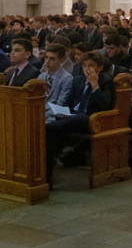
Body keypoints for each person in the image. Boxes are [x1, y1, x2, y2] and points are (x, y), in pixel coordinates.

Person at [45, 52, 115, 184]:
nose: (87, 69)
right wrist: (62, 111)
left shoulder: (106, 82)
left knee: (75, 120)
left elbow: (106, 105)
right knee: (49, 135)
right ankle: (46, 176)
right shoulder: (78, 80)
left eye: (91, 66)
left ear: (99, 68)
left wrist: (95, 86)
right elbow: (69, 102)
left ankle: (48, 130)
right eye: (84, 65)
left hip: (91, 119)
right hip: (72, 116)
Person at [39, 43, 74, 109]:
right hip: (39, 112)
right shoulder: (41, 77)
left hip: (55, 115)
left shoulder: (67, 78)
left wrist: (43, 115)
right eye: (46, 57)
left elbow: (60, 103)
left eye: (52, 59)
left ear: (61, 60)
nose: (47, 61)